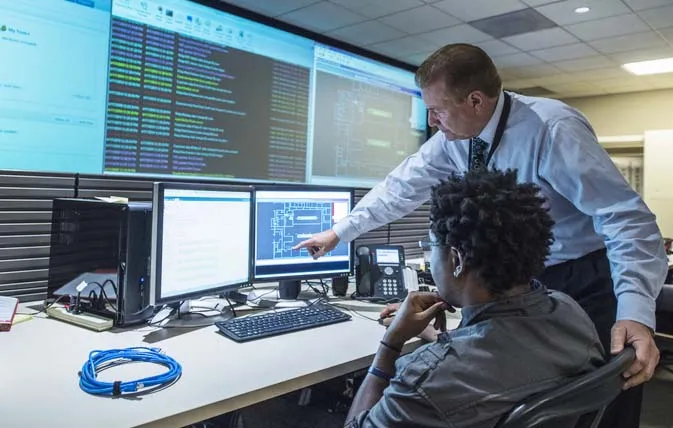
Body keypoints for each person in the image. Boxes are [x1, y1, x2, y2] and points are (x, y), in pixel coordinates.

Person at [296, 43, 668, 427]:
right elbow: (401, 188)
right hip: (527, 284)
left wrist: (636, 313)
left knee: (605, 392)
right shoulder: (455, 139)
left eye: (437, 109)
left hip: (585, 279)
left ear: (475, 100)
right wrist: (339, 232)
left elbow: (625, 218)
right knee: (527, 395)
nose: (431, 120)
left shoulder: (553, 129)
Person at [343, 168, 605, 428]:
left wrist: (391, 344)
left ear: (456, 259)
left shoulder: (427, 381)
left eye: (430, 246)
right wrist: (439, 338)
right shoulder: (570, 312)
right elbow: (505, 353)